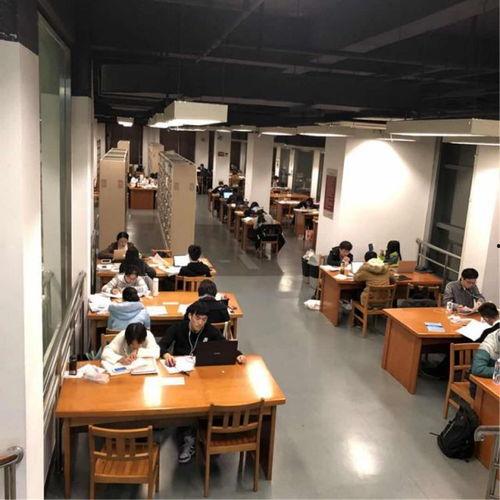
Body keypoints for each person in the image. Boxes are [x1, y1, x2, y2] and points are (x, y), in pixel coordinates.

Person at [159, 301, 246, 463]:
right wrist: (166, 355)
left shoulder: (209, 330)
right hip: (181, 375)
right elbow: (162, 346)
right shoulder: (177, 328)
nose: (200, 323)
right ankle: (187, 432)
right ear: (190, 316)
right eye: (197, 318)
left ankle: (199, 432)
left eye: (204, 319)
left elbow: (225, 345)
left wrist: (238, 354)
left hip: (202, 374)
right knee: (186, 402)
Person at [471, 303, 500, 378]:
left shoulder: (487, 332)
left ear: (485, 318)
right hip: (489, 372)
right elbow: (478, 369)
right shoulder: (490, 341)